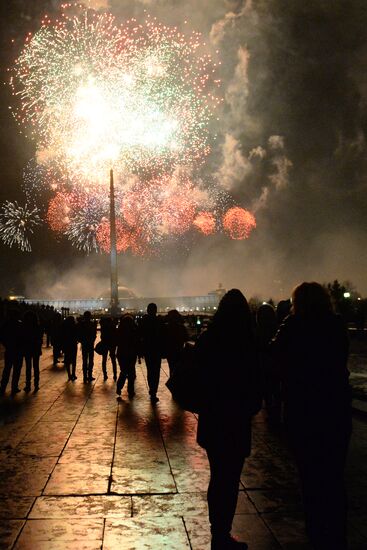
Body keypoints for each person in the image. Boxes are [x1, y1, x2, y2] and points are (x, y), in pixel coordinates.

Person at [270, 282, 352, 550]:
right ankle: (336, 532)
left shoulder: (293, 327)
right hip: (335, 409)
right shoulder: (336, 326)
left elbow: (273, 358)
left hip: (302, 410)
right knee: (334, 474)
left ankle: (316, 531)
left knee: (309, 475)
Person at [195, 289, 261, 550]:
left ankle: (217, 531)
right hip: (237, 417)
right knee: (231, 477)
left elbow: (197, 374)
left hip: (213, 416)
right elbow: (257, 379)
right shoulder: (247, 340)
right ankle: (223, 533)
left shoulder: (209, 338)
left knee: (217, 475)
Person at [255, 303, 280, 427]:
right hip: (275, 366)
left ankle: (271, 412)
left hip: (263, 366)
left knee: (268, 391)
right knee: (276, 391)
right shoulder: (278, 329)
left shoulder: (256, 332)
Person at [139, 303, 163, 404]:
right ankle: (154, 391)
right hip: (157, 350)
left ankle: (152, 390)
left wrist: (140, 351)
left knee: (150, 371)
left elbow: (140, 336)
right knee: (156, 372)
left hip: (148, 349)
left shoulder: (143, 321)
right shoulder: (159, 321)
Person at [0, 308, 23, 396]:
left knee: (7, 369)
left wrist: (7, 344)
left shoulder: (6, 324)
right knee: (16, 370)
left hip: (9, 350)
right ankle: (14, 387)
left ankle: (3, 387)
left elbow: (1, 336)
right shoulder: (20, 325)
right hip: (18, 350)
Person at [116, 314, 139, 398]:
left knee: (123, 371)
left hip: (121, 353)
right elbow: (136, 342)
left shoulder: (120, 330)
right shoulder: (134, 330)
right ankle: (130, 390)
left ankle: (119, 387)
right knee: (131, 372)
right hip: (132, 353)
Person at [21, 310, 43, 392]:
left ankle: (28, 385)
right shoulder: (37, 327)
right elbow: (39, 339)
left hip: (27, 349)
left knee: (28, 367)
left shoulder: (24, 327)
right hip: (35, 348)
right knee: (35, 367)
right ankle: (36, 384)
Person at [164, 309, 189, 377]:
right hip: (179, 350)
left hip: (170, 351)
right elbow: (186, 338)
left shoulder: (167, 327)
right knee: (178, 369)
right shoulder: (181, 327)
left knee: (171, 368)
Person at [77, 311, 97, 383]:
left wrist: (82, 341)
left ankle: (85, 376)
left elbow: (79, 334)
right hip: (90, 344)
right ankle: (89, 375)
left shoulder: (81, 324)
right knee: (91, 360)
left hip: (84, 344)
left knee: (85, 360)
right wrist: (92, 340)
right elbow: (94, 334)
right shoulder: (92, 324)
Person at [100, 317, 117, 381]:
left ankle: (105, 375)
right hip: (112, 344)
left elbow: (102, 336)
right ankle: (115, 374)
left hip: (105, 344)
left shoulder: (103, 327)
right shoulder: (113, 326)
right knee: (113, 360)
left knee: (104, 360)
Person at [61, 315, 78, 381]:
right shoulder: (74, 326)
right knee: (74, 360)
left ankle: (69, 374)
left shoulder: (64, 326)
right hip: (73, 344)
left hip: (66, 344)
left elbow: (62, 336)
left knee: (67, 360)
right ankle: (73, 373)